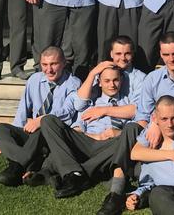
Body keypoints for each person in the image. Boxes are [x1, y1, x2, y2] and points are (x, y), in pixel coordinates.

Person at [40, 65, 139, 208]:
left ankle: (78, 174)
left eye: (115, 80)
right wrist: (91, 135)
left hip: (111, 146)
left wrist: (118, 133)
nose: (112, 84)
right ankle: (74, 172)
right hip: (88, 141)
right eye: (107, 81)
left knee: (130, 138)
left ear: (121, 81)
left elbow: (133, 131)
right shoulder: (91, 101)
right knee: (48, 120)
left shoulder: (128, 104)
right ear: (99, 82)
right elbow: (78, 128)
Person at [0, 46, 83, 186]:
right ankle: (30, 160)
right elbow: (23, 109)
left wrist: (41, 120)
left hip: (52, 136)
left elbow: (67, 112)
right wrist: (11, 139)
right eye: (44, 65)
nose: (49, 69)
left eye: (54, 64)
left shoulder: (74, 84)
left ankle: (17, 168)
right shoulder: (34, 79)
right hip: (31, 133)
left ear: (64, 63)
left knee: (44, 127)